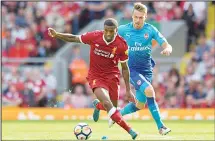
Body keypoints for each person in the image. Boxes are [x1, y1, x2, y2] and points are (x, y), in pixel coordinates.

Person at [48, 18, 138, 140]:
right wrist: (57, 34)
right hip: (96, 76)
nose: (108, 34)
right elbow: (74, 38)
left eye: (111, 31)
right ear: (103, 29)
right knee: (108, 104)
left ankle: (97, 106)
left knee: (112, 109)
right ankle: (130, 130)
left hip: (112, 76)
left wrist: (128, 89)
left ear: (116, 31)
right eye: (106, 30)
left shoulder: (121, 45)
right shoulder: (95, 36)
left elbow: (125, 68)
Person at [93, 3, 172, 135]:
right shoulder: (123, 30)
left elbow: (165, 43)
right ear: (132, 16)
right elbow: (107, 38)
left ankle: (106, 109)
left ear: (145, 17)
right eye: (135, 17)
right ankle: (161, 127)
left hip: (147, 71)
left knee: (140, 105)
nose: (137, 20)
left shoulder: (150, 30)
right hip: (132, 70)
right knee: (149, 90)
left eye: (141, 17)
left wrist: (167, 49)